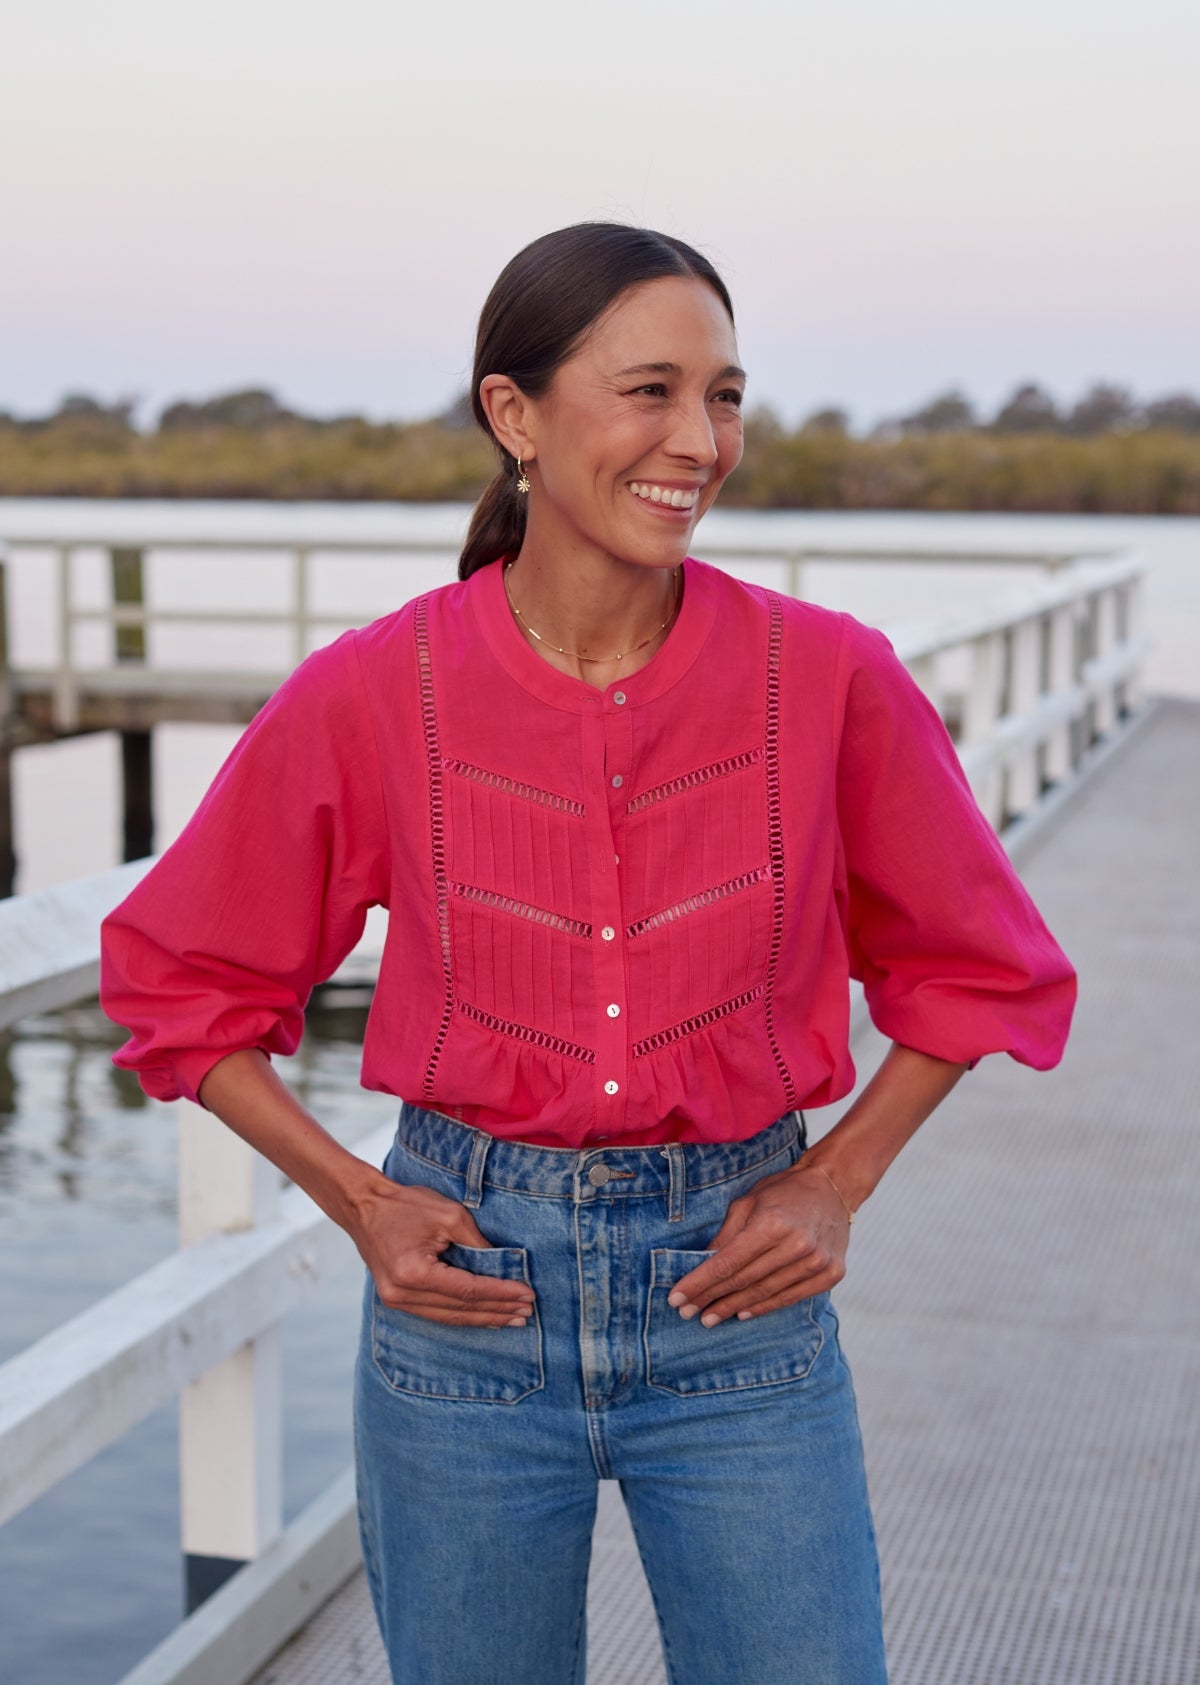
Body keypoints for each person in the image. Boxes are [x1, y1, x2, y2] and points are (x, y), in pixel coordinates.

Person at [100, 222, 1076, 1685]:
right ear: (516, 416)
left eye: (727, 396)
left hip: (734, 1300)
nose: (700, 439)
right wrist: (362, 1200)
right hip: (465, 1307)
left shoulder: (831, 679)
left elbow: (982, 964)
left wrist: (834, 1178)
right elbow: (179, 977)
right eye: (652, 390)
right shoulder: (378, 691)